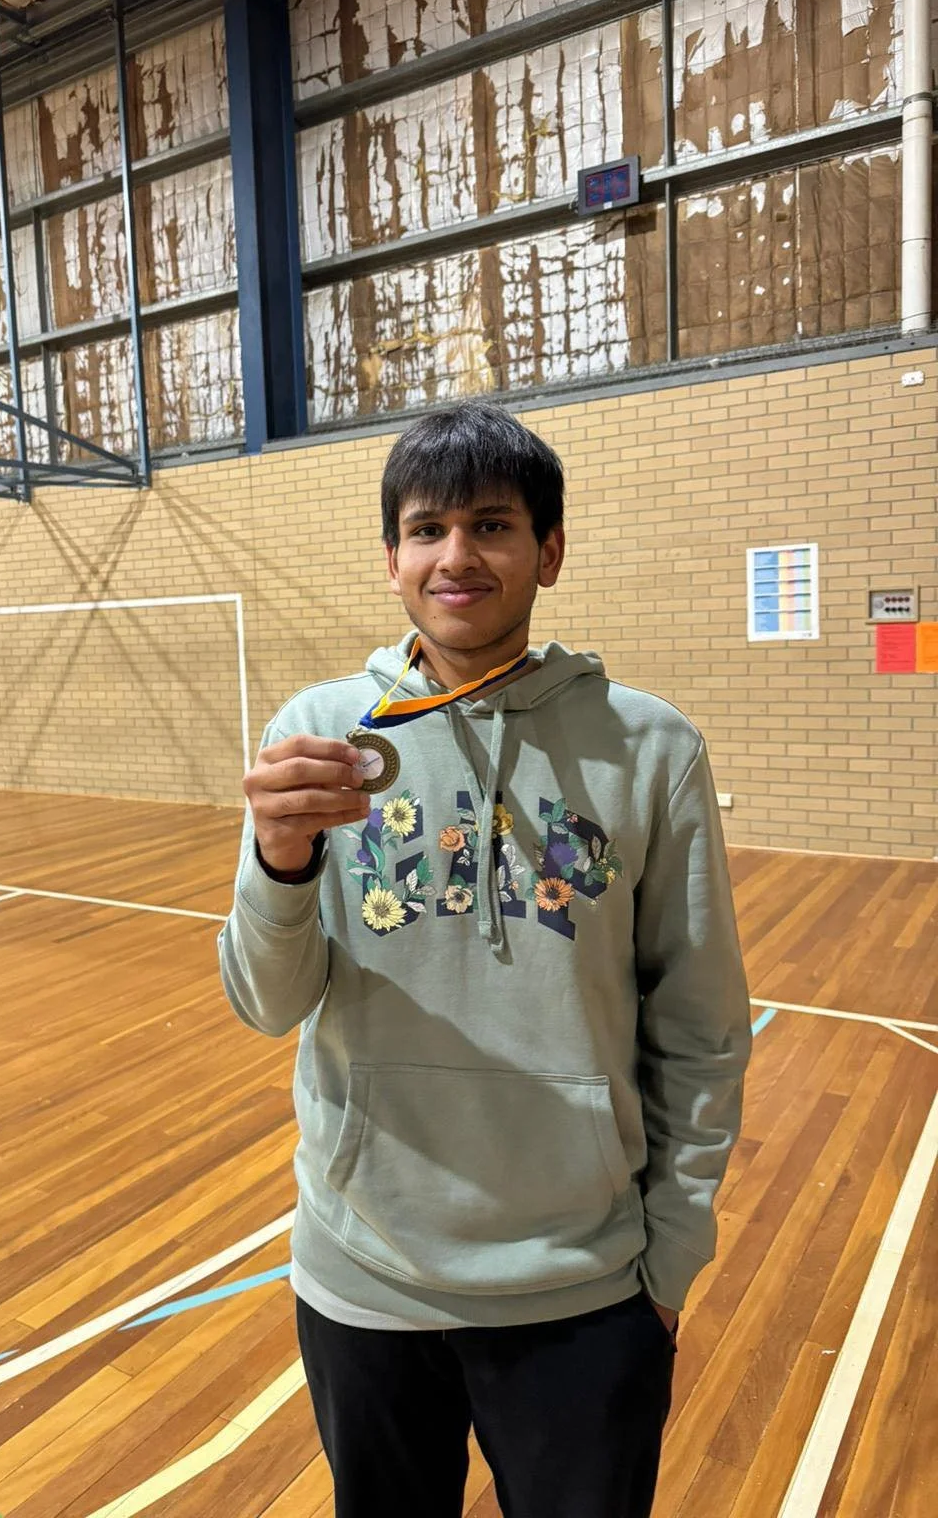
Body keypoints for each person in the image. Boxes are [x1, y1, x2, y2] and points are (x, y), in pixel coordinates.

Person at [218, 401, 751, 1518]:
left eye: (492, 526)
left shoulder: (649, 746)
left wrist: (668, 1260)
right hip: (365, 1279)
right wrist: (280, 859)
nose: (455, 555)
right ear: (393, 558)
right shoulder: (319, 734)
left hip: (584, 1289)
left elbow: (700, 1025)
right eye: (426, 530)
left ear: (547, 552)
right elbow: (268, 1005)